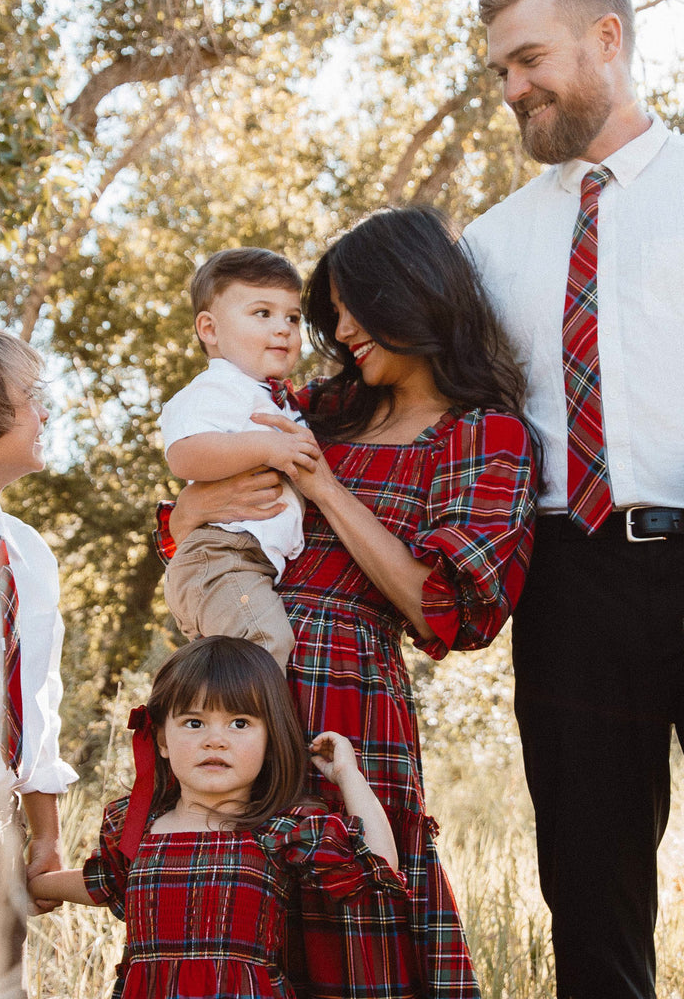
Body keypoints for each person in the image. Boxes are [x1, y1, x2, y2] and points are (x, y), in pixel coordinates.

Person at [156, 206, 538, 998]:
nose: (336, 327)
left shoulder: (484, 435)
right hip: (235, 682)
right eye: (326, 311)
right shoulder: (320, 409)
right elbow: (196, 511)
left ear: (410, 295)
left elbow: (448, 613)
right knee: (221, 918)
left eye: (348, 306)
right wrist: (188, 513)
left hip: (348, 702)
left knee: (349, 916)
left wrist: (325, 488)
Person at [462, 0, 684, 999]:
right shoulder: (489, 244)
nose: (512, 91)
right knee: (591, 894)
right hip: (566, 584)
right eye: (500, 72)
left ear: (608, 39)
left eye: (529, 60)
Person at [29, 635, 414, 998]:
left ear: (269, 739)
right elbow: (105, 884)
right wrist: (32, 883)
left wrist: (348, 774)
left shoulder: (280, 829)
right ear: (162, 740)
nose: (216, 739)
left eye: (240, 723)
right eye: (194, 723)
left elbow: (379, 863)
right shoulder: (135, 826)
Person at [0, 318, 78, 998]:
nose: (44, 412)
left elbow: (40, 702)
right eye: (29, 396)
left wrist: (46, 834)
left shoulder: (28, 554)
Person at [159, 247, 320, 673]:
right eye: (262, 313)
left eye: (292, 317)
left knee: (243, 661)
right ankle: (238, 739)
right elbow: (186, 454)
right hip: (222, 553)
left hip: (247, 562)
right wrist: (266, 448)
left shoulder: (273, 396)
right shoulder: (218, 387)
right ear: (209, 329)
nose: (283, 329)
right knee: (262, 648)